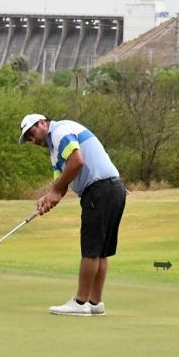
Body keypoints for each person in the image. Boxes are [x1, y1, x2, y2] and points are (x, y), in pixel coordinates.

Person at [18, 113, 127, 316]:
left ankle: (80, 302)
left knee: (91, 249)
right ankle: (95, 303)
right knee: (100, 251)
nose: (33, 140)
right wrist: (48, 198)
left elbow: (77, 161)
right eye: (30, 139)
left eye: (32, 133)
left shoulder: (59, 131)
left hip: (99, 190)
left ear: (42, 123)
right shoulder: (54, 150)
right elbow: (61, 186)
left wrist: (54, 191)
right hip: (114, 189)